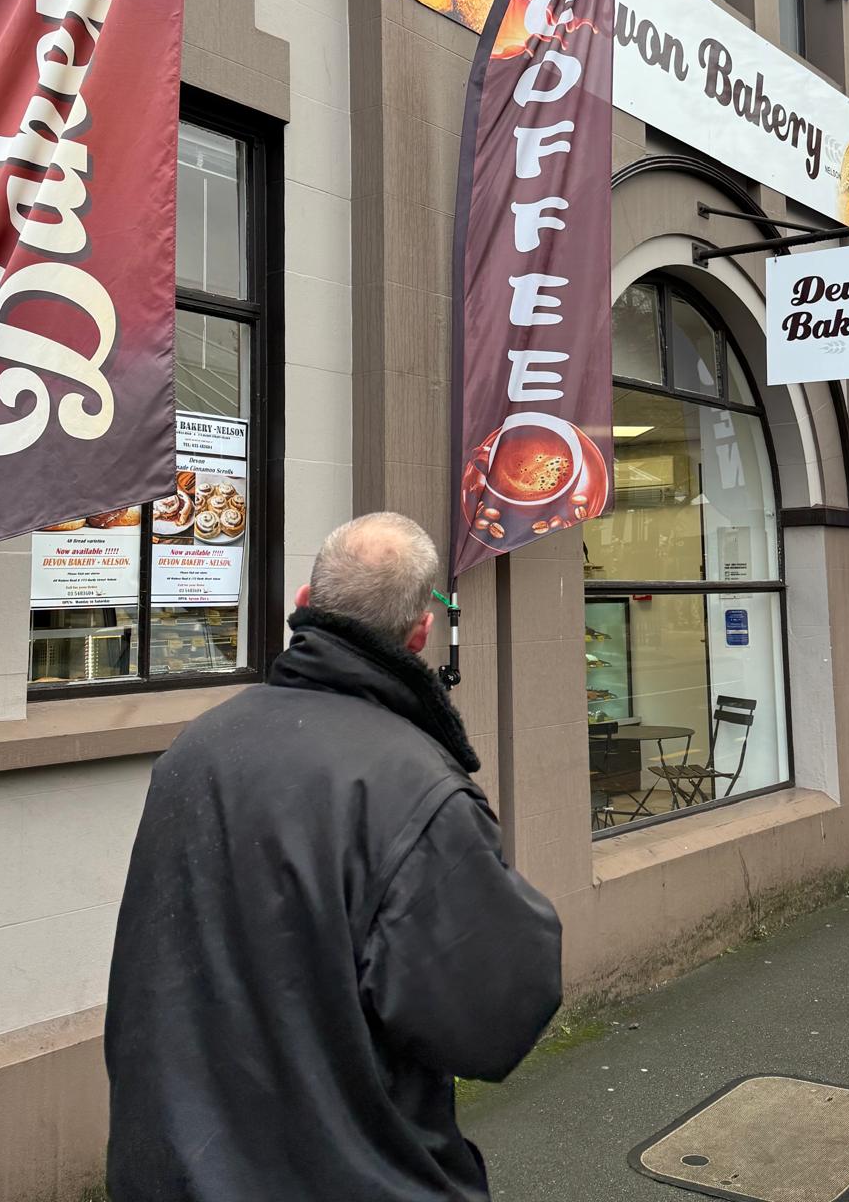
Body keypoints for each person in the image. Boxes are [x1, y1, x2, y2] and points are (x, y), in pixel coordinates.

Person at [105, 512, 562, 1201]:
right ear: (419, 634)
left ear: (302, 604)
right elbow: (493, 1018)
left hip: (171, 1171)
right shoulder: (418, 791)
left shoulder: (196, 748)